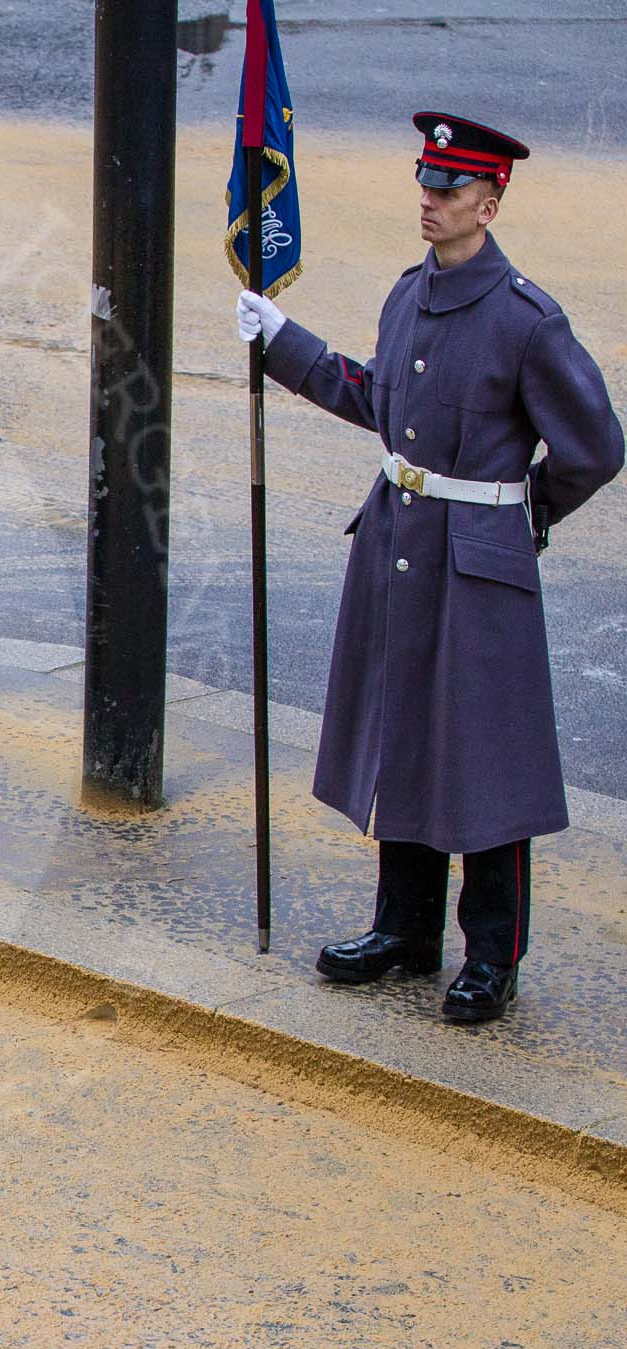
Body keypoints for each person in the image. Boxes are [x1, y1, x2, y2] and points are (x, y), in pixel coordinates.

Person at [237, 113, 622, 1022]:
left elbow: (594, 447)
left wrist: (524, 514)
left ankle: (492, 953)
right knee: (402, 731)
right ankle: (406, 930)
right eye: (426, 182)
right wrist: (284, 340)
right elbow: (379, 398)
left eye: (450, 190)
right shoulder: (408, 295)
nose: (430, 200)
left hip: (477, 562)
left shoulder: (529, 320)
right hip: (399, 546)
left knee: (488, 760)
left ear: (489, 202)